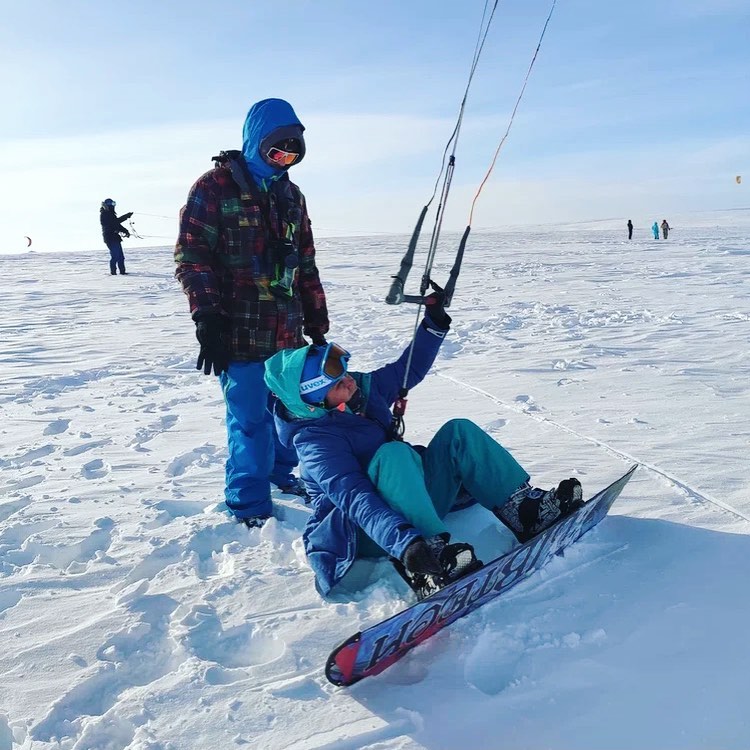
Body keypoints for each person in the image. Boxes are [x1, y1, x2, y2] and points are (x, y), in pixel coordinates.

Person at [263, 297, 583, 600]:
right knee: (393, 454)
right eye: (336, 382)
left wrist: (433, 323)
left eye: (344, 371)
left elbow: (408, 370)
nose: (348, 380)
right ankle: (430, 560)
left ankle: (526, 512)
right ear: (312, 400)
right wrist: (408, 545)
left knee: (458, 431)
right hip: (364, 532)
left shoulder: (360, 389)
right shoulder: (314, 443)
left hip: (407, 504)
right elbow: (356, 499)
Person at [175, 98, 329, 528]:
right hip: (237, 333)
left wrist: (316, 322)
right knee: (248, 421)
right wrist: (207, 318)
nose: (283, 161)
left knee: (290, 413)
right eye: (276, 151)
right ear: (255, 142)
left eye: (292, 155)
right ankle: (248, 504)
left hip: (287, 334)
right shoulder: (213, 187)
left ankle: (281, 476)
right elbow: (192, 257)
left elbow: (306, 261)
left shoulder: (291, 195)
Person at [100, 198, 132, 275]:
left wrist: (125, 231)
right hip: (110, 238)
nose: (113, 206)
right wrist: (126, 216)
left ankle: (122, 272)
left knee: (121, 256)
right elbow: (113, 223)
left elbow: (117, 224)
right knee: (115, 256)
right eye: (112, 204)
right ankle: (113, 273)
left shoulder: (111, 214)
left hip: (115, 237)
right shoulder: (104, 214)